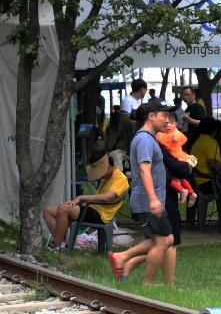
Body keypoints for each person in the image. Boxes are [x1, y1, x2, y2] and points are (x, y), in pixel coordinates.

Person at [108, 98, 177, 286]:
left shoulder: (147, 138)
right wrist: (154, 200)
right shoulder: (144, 140)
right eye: (164, 116)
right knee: (162, 242)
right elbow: (145, 170)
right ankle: (147, 283)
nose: (168, 121)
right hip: (148, 200)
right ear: (151, 117)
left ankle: (124, 258)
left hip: (152, 199)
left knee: (165, 240)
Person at [42, 150, 129, 250]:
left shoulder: (121, 178)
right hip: (92, 208)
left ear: (108, 167)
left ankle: (56, 247)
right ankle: (61, 244)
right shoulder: (106, 177)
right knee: (48, 212)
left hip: (101, 215)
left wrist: (81, 198)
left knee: (63, 208)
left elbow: (107, 197)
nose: (100, 176)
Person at [156, 114, 198, 206]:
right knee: (180, 178)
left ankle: (182, 191)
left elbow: (183, 138)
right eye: (166, 123)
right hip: (176, 159)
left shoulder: (175, 133)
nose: (169, 125)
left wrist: (176, 139)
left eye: (172, 123)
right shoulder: (162, 133)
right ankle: (191, 193)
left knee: (171, 178)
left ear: (176, 124)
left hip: (178, 158)